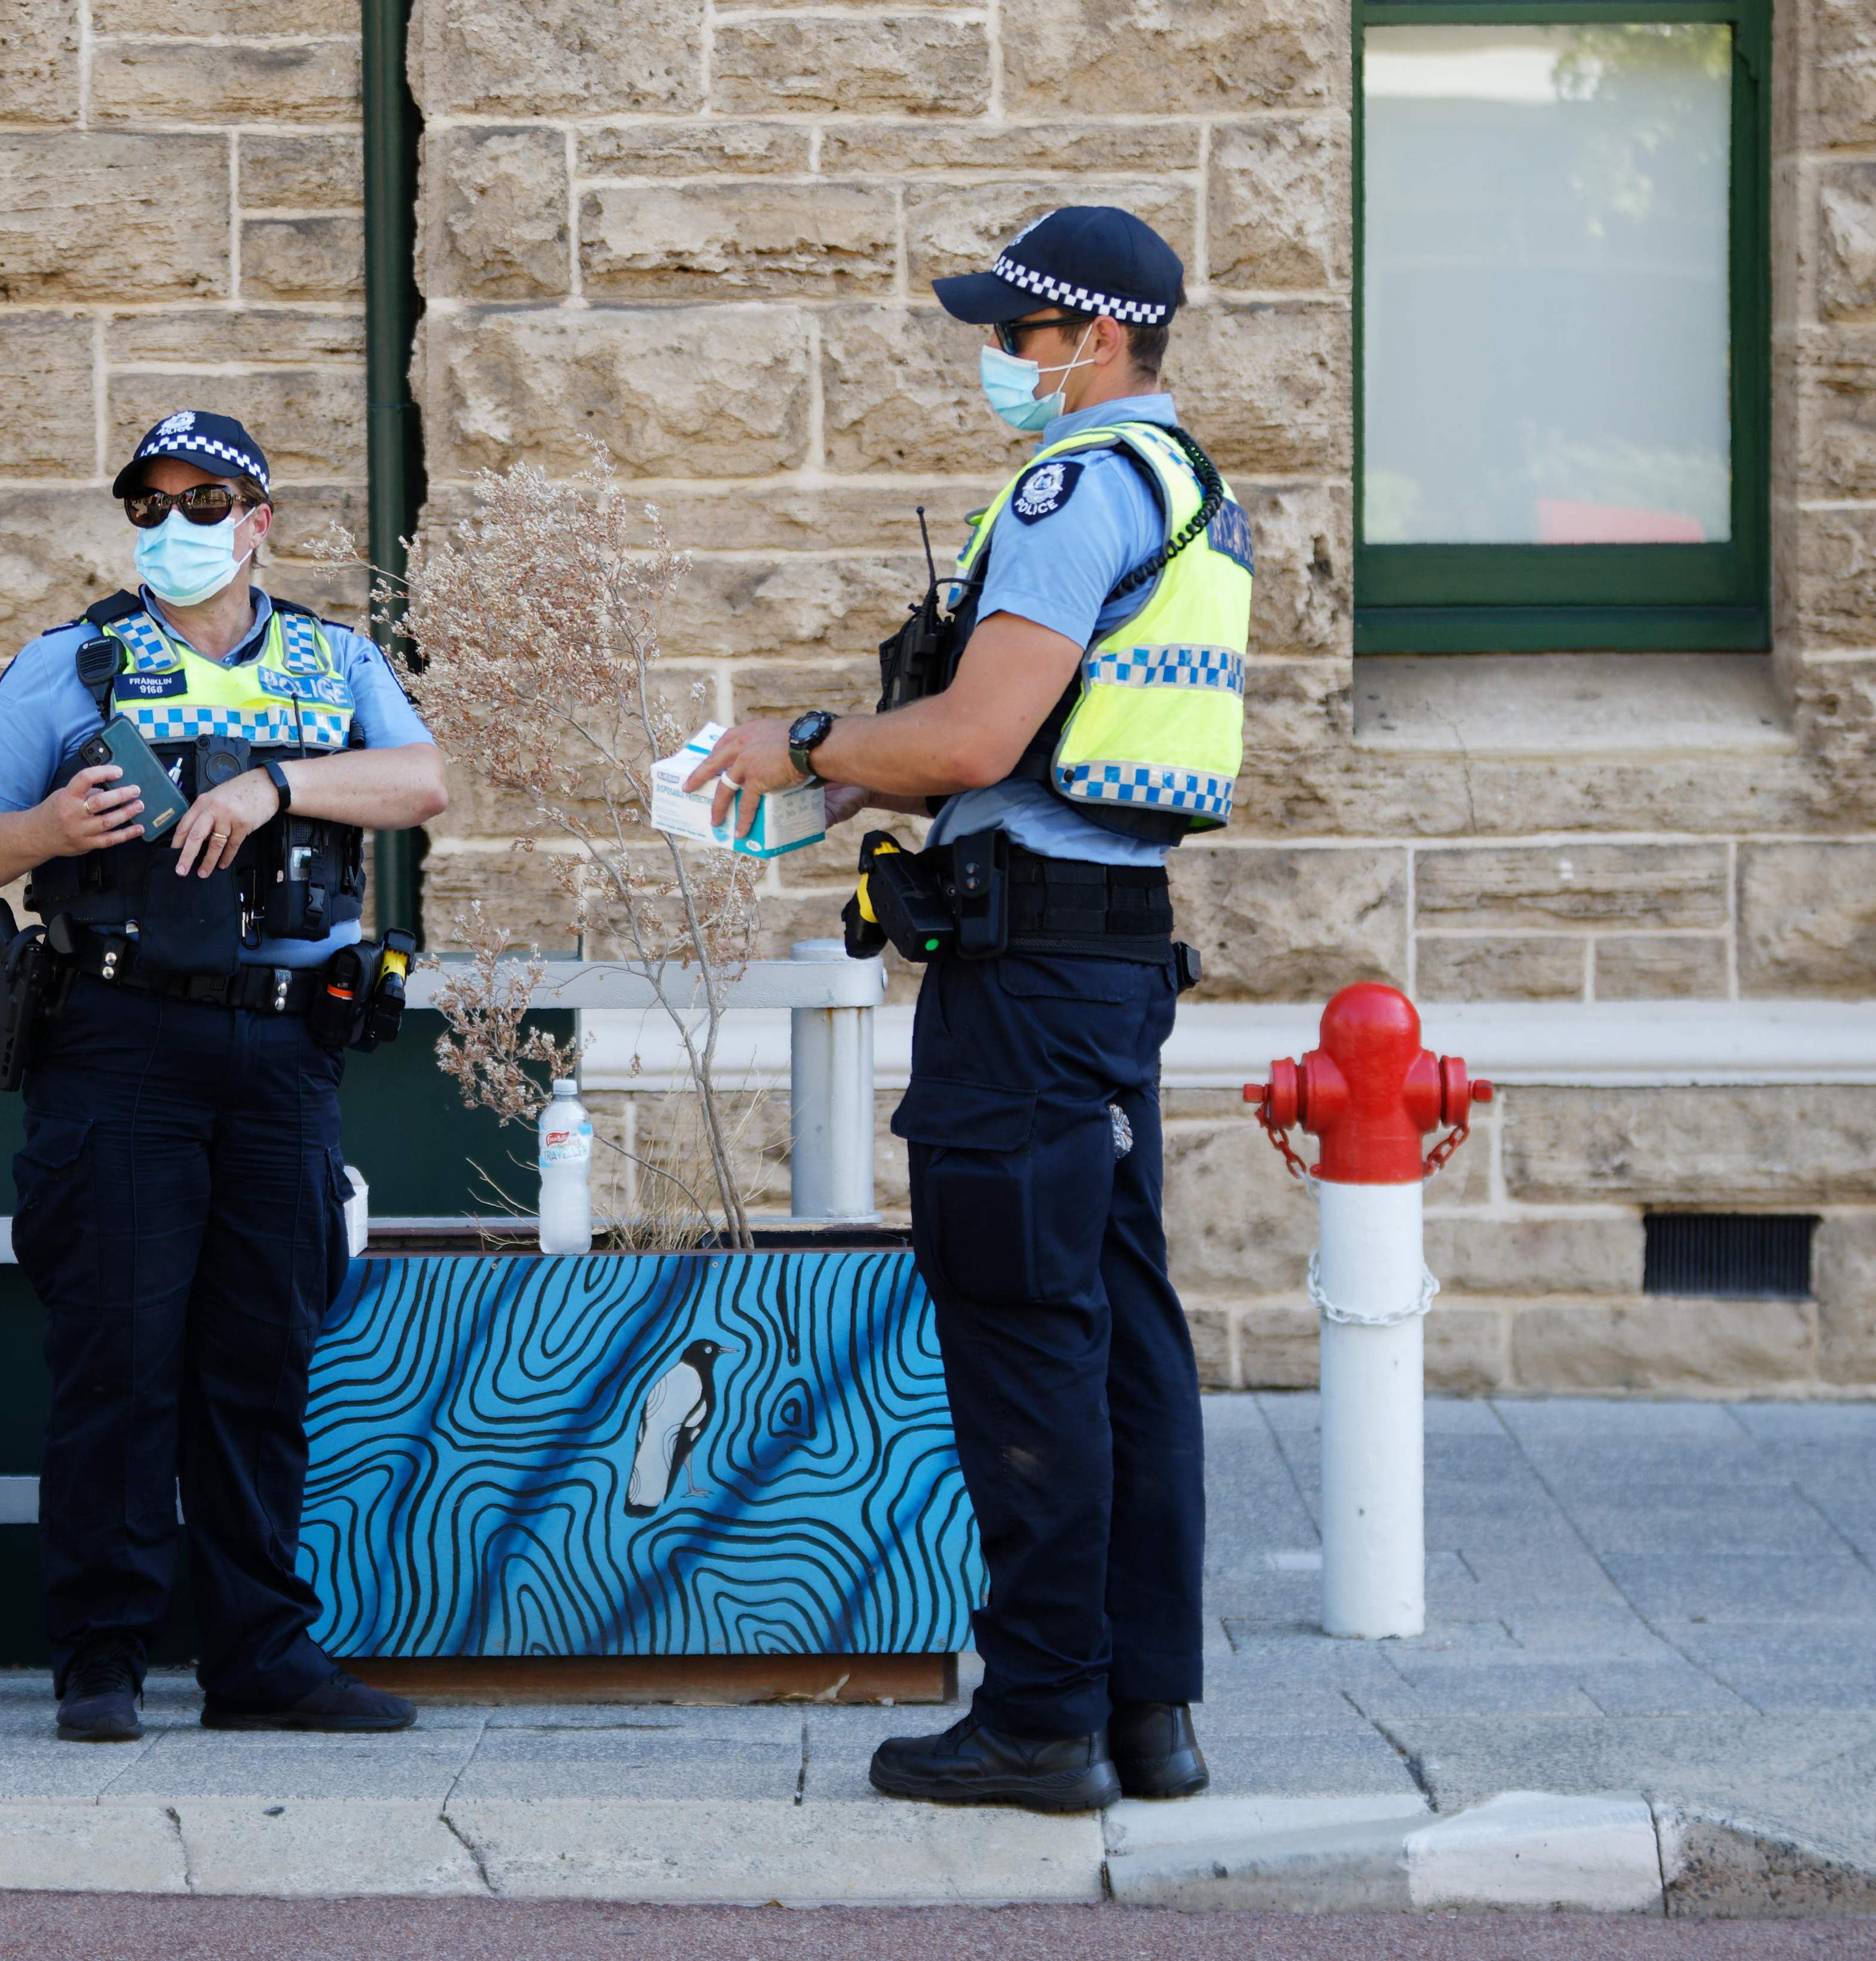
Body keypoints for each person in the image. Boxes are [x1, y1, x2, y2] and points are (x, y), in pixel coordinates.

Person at [688, 207, 1247, 1815]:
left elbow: (972, 741)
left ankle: (1035, 1721)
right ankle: (1143, 1712)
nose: (995, 357)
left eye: (1013, 331)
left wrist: (793, 742)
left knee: (1021, 1338)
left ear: (1093, 336)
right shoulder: (1184, 486)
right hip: (1107, 962)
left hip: (1027, 992)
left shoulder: (1076, 486)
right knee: (1120, 1336)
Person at [0, 409, 450, 1744]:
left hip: (282, 1044)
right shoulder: (73, 663)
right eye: (152, 506)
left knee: (256, 1357)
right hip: (118, 1042)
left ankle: (259, 1657)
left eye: (206, 504)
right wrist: (45, 827)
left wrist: (276, 786)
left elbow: (420, 781)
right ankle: (97, 1658)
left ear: (259, 520)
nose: (176, 530)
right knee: (117, 1352)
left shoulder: (332, 661)